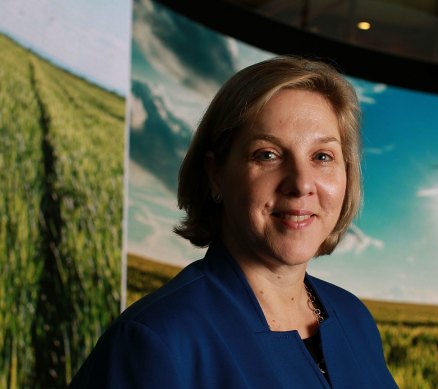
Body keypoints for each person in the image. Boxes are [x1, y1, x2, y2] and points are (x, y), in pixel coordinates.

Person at [70, 55, 399, 388]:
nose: (301, 183)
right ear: (215, 175)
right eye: (267, 154)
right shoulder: (157, 340)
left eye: (322, 157)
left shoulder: (353, 318)